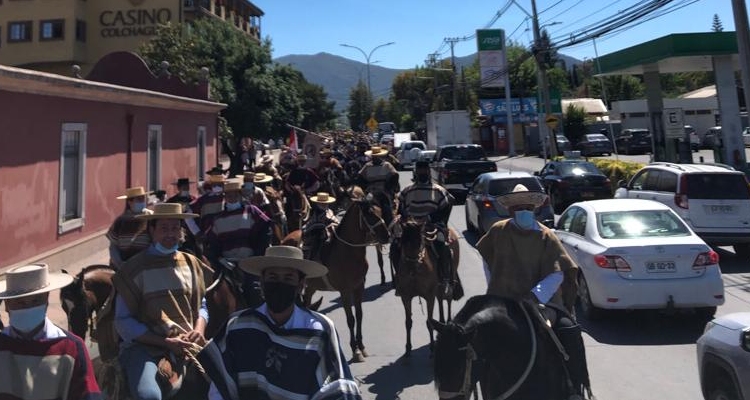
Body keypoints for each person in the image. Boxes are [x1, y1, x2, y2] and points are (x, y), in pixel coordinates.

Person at [197, 246, 362, 400]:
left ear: (301, 284)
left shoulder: (319, 330)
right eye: (273, 277)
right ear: (261, 281)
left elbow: (337, 387)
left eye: (288, 278)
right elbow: (219, 386)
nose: (279, 284)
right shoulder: (238, 326)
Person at [475, 184, 591, 398]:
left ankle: (576, 387)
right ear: (510, 210)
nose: (523, 211)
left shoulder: (546, 236)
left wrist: (534, 296)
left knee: (569, 331)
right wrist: (496, 292)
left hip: (541, 304)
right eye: (518, 208)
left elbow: (558, 272)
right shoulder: (498, 231)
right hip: (503, 301)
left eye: (527, 207)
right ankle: (466, 387)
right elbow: (488, 260)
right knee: (472, 337)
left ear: (534, 209)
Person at [113, 203, 210, 400]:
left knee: (228, 382)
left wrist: (199, 330)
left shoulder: (191, 263)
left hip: (189, 344)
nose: (170, 234)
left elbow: (202, 305)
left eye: (175, 228)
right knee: (148, 395)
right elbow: (123, 321)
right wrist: (164, 342)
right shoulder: (133, 269)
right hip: (148, 348)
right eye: (164, 228)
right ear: (152, 230)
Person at [0, 263, 102, 400]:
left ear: (46, 301)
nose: (28, 308)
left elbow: (88, 394)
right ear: (7, 305)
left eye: (35, 301)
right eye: (20, 303)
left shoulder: (71, 348)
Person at [394, 160, 457, 294]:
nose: (422, 173)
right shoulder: (407, 191)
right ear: (416, 172)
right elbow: (401, 210)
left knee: (443, 246)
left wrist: (432, 219)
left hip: (431, 227)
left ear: (428, 172)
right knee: (395, 246)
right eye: (420, 171)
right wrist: (405, 219)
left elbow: (447, 205)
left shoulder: (438, 190)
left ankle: (446, 279)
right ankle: (399, 280)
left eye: (424, 171)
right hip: (411, 229)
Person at [108, 186, 154, 269]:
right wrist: (119, 263)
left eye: (143, 199)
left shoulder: (151, 217)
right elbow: (113, 246)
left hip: (146, 263)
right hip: (124, 264)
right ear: (130, 202)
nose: (142, 202)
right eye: (138, 199)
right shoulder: (120, 220)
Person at [301, 192, 339, 261]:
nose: (324, 205)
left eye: (325, 203)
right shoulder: (316, 211)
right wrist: (324, 226)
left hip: (326, 229)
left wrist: (336, 224)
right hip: (315, 231)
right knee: (317, 240)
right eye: (322, 203)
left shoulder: (329, 211)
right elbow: (314, 222)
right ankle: (313, 257)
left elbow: (333, 219)